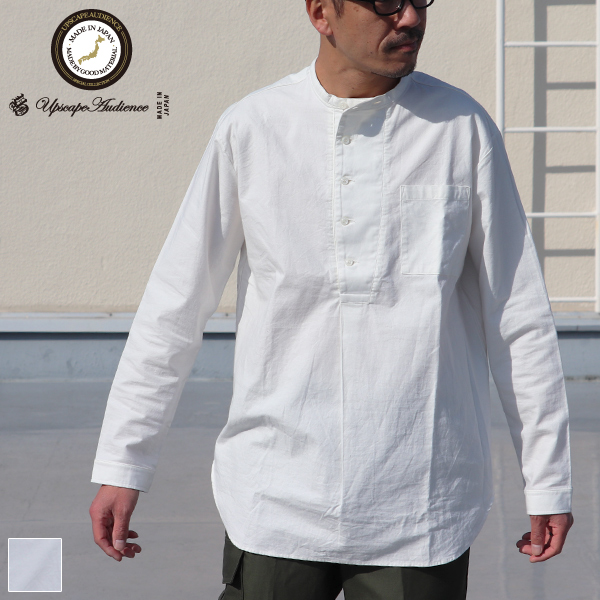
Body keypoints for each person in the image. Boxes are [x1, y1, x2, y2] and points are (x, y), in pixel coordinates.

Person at [89, 0, 574, 597]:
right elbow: (175, 306)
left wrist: (547, 478)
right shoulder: (255, 127)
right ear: (322, 13)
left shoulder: (460, 127)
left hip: (420, 503)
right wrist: (124, 462)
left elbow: (517, 315)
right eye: (387, 2)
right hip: (275, 497)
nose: (411, 18)